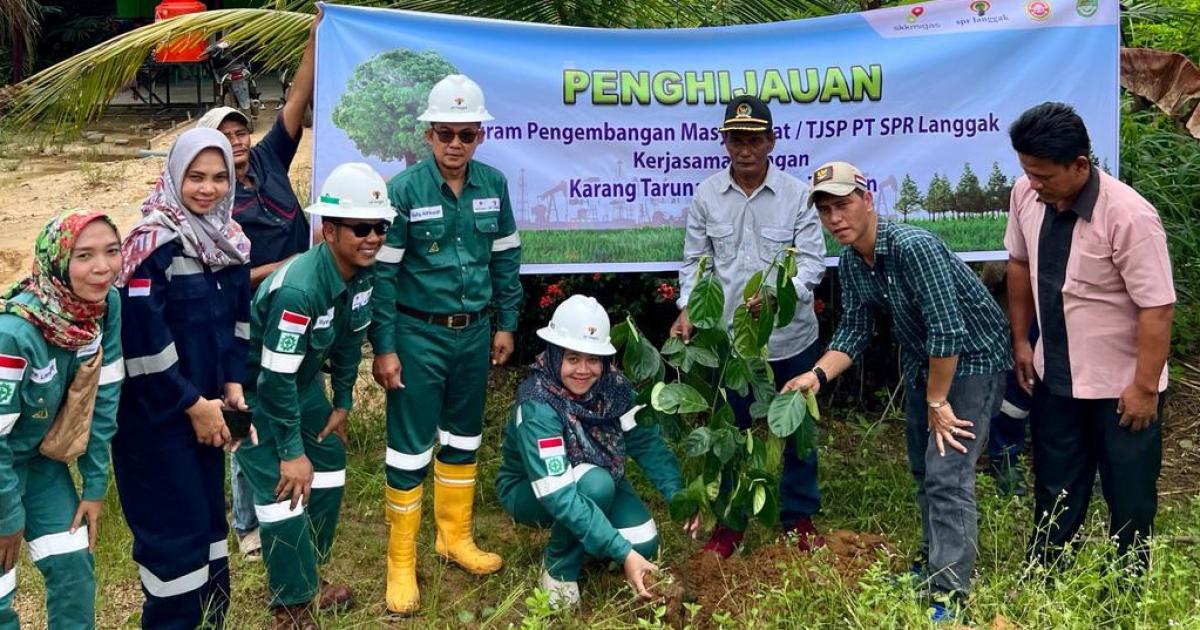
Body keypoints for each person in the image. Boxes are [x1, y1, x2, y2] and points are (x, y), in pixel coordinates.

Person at [781, 161, 1010, 622]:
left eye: (843, 205)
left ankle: (949, 592)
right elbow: (855, 329)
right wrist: (816, 376)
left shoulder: (912, 247)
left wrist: (938, 402)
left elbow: (948, 331)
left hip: (973, 359)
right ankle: (932, 562)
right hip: (925, 363)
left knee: (947, 473)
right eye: (825, 211)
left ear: (868, 201)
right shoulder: (851, 260)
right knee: (923, 468)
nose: (835, 219)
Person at [369, 73, 522, 615]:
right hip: (417, 335)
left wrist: (506, 324)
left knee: (463, 438)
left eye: (467, 133)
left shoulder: (494, 185)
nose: (456, 143)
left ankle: (454, 538)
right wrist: (383, 347)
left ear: (480, 134)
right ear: (428, 136)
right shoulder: (404, 191)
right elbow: (382, 277)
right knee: (408, 447)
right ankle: (401, 560)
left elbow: (505, 258)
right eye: (445, 133)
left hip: (475, 333)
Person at [1005, 102, 1174, 570]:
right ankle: (1046, 578)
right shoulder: (1025, 194)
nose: (1034, 185)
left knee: (1130, 497)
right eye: (1027, 172)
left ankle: (1126, 593)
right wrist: (1022, 341)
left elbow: (1157, 307)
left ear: (1080, 165)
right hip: (1055, 376)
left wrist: (1144, 388)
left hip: (1120, 390)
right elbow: (1019, 263)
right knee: (1054, 487)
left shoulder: (1129, 217)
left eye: (1044, 176)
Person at [235, 162, 392, 629]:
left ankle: (307, 574)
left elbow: (348, 342)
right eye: (361, 227)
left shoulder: (362, 276)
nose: (373, 238)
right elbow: (271, 381)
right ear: (329, 229)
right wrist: (290, 452)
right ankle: (289, 606)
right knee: (282, 492)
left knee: (328, 473)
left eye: (380, 227)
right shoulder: (299, 289)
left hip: (300, 388)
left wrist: (342, 402)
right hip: (252, 396)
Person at [670, 94, 826, 557]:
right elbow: (695, 261)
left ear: (771, 141)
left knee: (798, 433)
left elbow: (814, 265)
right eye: (736, 139)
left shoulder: (798, 196)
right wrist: (687, 306)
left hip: (790, 338)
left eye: (754, 139)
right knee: (731, 433)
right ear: (725, 143)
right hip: (731, 344)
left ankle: (798, 516)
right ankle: (732, 523)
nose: (745, 149)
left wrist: (779, 296)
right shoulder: (706, 194)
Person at [194, 8, 322, 560]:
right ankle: (246, 522)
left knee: (285, 387)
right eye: (224, 136)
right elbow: (222, 276)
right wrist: (291, 265)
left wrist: (317, 37)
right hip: (249, 311)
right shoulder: (210, 199)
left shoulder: (271, 157)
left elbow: (295, 99)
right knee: (246, 402)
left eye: (241, 129)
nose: (238, 139)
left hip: (294, 302)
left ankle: (278, 501)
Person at [112, 128, 252, 629]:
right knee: (175, 545)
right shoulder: (152, 245)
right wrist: (193, 403)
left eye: (219, 178)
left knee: (209, 533)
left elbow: (238, 324)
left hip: (210, 417)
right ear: (174, 175)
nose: (207, 189)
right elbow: (144, 344)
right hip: (158, 425)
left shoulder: (230, 241)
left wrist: (233, 387)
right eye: (195, 177)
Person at [497, 295, 698, 607]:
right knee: (596, 487)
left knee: (643, 543)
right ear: (554, 355)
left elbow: (645, 443)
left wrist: (678, 496)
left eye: (593, 359)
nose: (584, 370)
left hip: (597, 475)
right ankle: (558, 570)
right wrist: (622, 553)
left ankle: (588, 535)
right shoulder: (537, 402)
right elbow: (557, 494)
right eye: (572, 358)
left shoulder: (614, 388)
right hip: (534, 491)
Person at [0, 210, 124, 629]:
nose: (102, 267)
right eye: (84, 255)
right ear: (56, 261)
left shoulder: (104, 307)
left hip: (37, 463)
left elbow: (103, 399)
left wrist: (93, 487)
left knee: (73, 568)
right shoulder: (14, 334)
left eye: (112, 251)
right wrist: (8, 518)